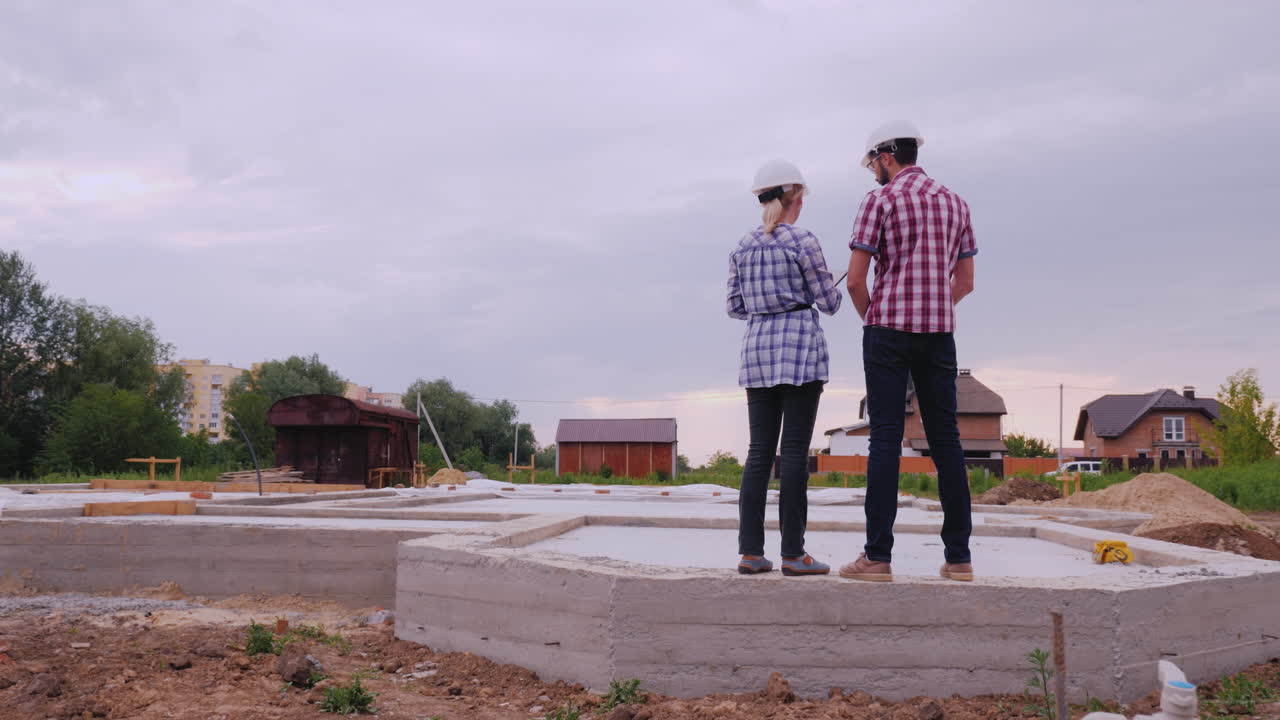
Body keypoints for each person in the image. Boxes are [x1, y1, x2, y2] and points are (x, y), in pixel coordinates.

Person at [838, 121, 977, 583]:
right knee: (947, 442)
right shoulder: (956, 203)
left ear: (885, 157)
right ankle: (959, 558)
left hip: (888, 331)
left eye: (873, 163)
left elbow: (856, 280)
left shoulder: (879, 200)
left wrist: (874, 318)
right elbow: (966, 283)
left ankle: (877, 557)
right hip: (939, 334)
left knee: (885, 441)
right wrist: (934, 306)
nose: (873, 172)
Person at [727, 159, 842, 576]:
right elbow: (829, 303)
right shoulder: (803, 241)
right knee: (793, 453)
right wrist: (822, 285)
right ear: (795, 197)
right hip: (798, 350)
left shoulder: (742, 246)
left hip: (757, 350)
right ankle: (794, 554)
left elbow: (734, 307)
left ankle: (750, 553)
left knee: (759, 454)